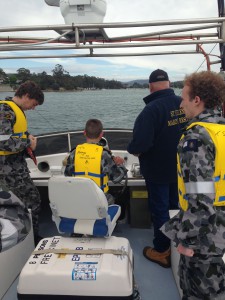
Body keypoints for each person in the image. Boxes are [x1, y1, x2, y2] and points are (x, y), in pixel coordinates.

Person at [161, 71, 225, 299]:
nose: (181, 102)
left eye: (184, 97)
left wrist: (186, 241)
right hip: (221, 223)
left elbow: (200, 199)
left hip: (206, 237)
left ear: (196, 100)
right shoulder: (221, 130)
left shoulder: (196, 139)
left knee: (199, 292)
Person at [127, 69, 187, 268]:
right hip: (181, 169)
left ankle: (161, 250)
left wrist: (136, 151)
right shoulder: (183, 104)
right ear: (169, 84)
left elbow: (139, 146)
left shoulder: (150, 110)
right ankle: (175, 243)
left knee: (160, 209)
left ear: (150, 86)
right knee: (175, 207)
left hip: (158, 171)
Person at [0, 80, 44, 245]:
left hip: (15, 169)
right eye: (34, 104)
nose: (34, 108)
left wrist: (28, 137)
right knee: (33, 201)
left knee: (26, 202)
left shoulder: (14, 110)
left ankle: (26, 239)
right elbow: (3, 142)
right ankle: (31, 241)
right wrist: (28, 142)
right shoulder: (5, 110)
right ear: (26, 96)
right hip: (9, 171)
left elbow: (16, 134)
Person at [64, 118, 127, 205]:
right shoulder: (104, 154)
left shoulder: (74, 153)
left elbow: (67, 174)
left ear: (84, 133)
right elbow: (117, 178)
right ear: (101, 134)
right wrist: (120, 165)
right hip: (99, 201)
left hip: (79, 199)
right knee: (114, 198)